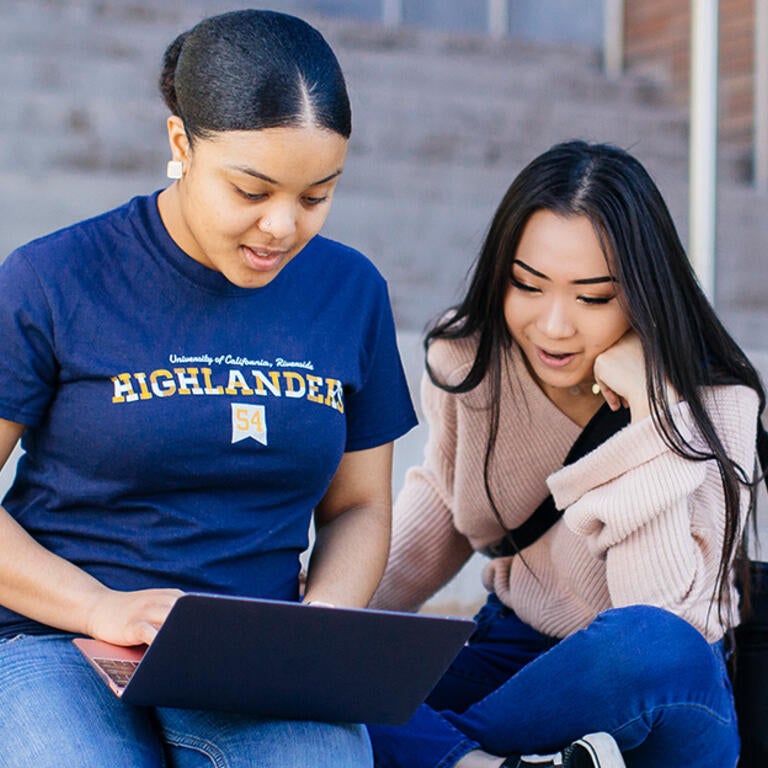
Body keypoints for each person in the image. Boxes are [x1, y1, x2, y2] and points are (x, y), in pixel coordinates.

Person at [0, 9, 416, 768]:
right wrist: (102, 607)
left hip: (252, 657)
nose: (283, 227)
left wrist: (320, 626)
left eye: (317, 195)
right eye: (251, 191)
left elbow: (359, 506)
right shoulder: (52, 278)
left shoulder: (350, 292)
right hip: (56, 636)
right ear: (181, 145)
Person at [368, 140, 766, 768]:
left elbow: (657, 615)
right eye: (528, 285)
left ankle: (445, 754)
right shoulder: (472, 362)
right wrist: (326, 616)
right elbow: (440, 516)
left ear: (642, 292)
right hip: (515, 654)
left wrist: (651, 414)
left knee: (652, 644)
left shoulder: (717, 403)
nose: (554, 326)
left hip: (663, 690)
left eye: (594, 297)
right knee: (324, 687)